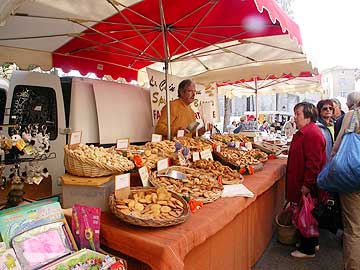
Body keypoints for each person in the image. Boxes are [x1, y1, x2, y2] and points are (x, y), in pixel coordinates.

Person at [286, 102, 326, 258]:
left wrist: (307, 184)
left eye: (298, 114)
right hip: (300, 180)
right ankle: (311, 243)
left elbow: (314, 163)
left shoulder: (312, 134)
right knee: (308, 214)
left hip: (307, 184)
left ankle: (307, 249)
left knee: (307, 214)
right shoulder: (304, 132)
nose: (295, 118)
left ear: (308, 116)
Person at [331, 96, 360, 270]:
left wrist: (332, 166)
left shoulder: (352, 116)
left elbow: (337, 146)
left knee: (353, 229)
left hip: (351, 177)